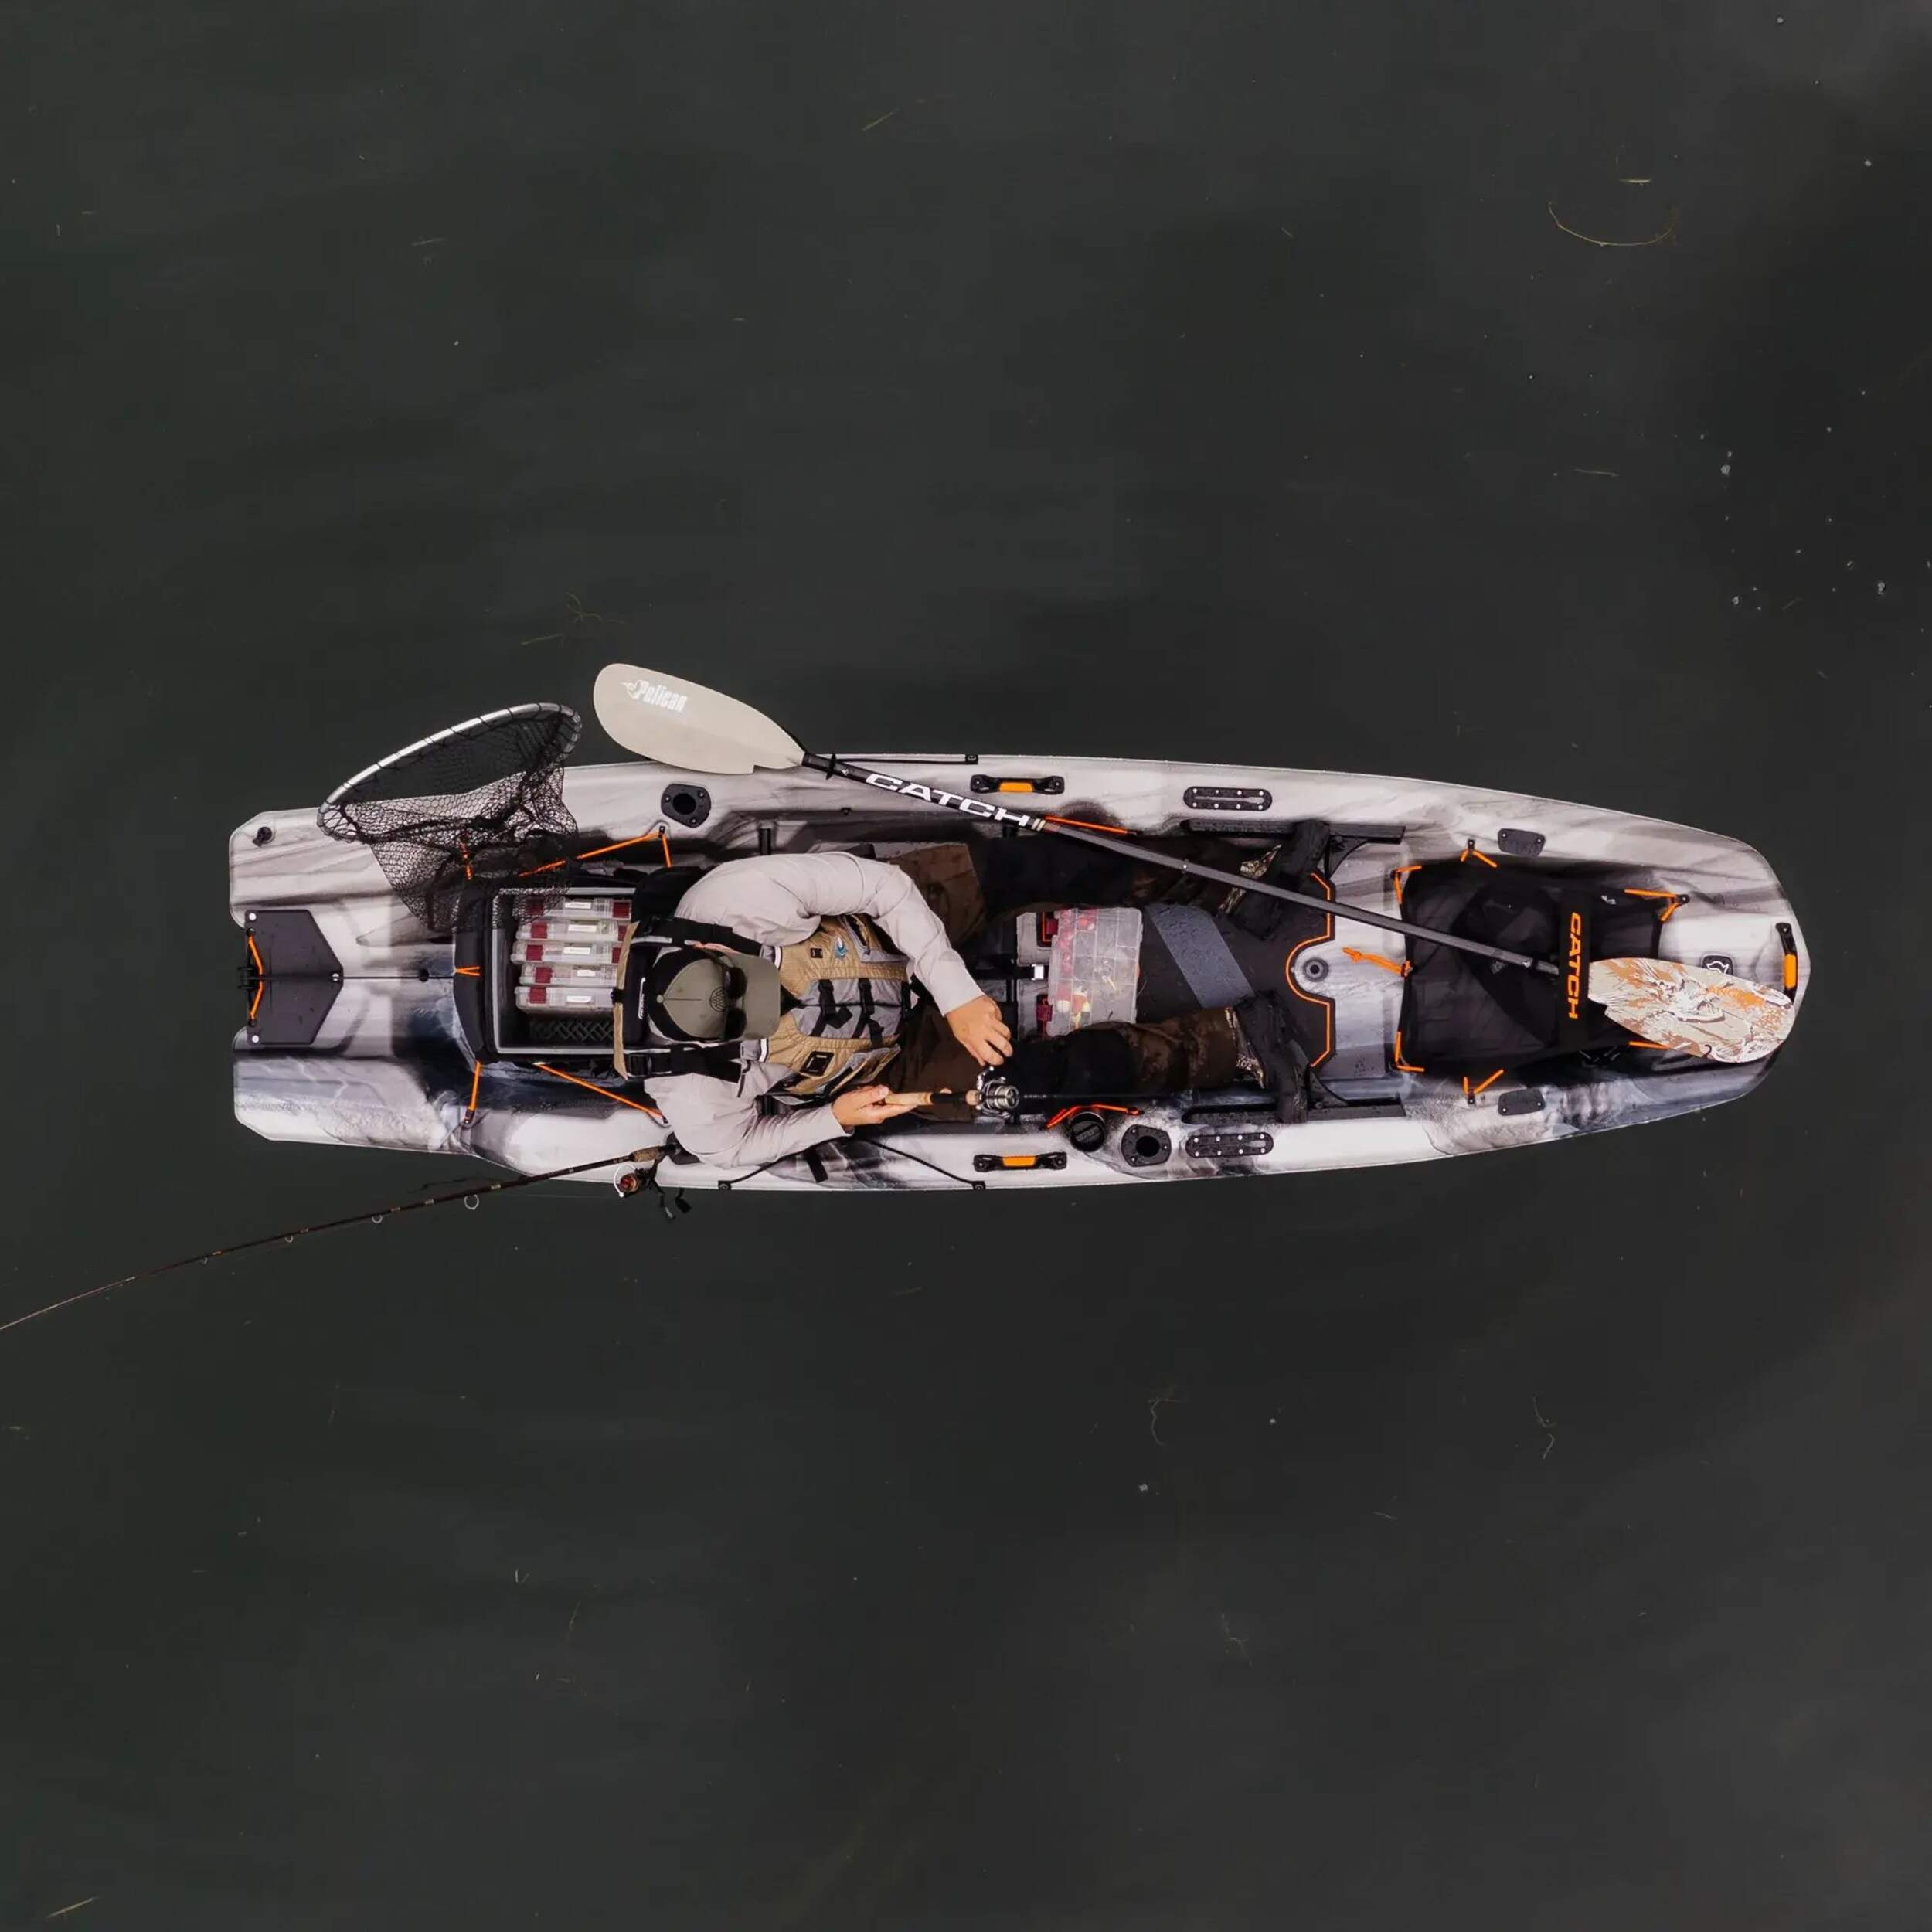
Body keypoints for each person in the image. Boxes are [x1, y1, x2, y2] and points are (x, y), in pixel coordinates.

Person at [637, 835, 1309, 1170]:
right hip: (884, 1061)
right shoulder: (693, 1098)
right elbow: (733, 1148)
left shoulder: (731, 900)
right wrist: (833, 1117)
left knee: (1021, 864)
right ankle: (1235, 1042)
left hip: (885, 933)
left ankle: (1231, 882)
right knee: (1032, 1085)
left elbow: (884, 889)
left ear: (719, 949)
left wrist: (956, 994)